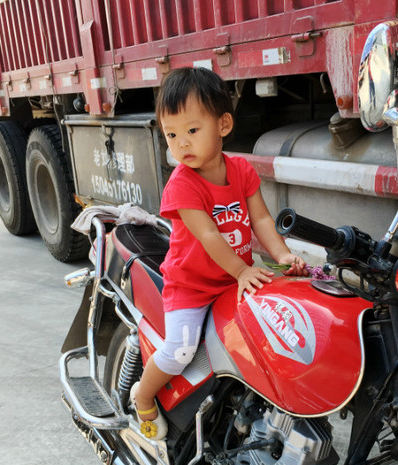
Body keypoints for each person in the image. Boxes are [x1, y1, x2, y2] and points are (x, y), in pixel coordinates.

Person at [131, 67, 307, 440]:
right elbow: (209, 235)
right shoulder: (182, 184)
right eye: (172, 134)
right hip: (191, 288)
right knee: (181, 351)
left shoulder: (241, 170)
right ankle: (143, 394)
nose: (182, 144)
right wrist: (242, 271)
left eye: (192, 131)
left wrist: (283, 256)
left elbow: (261, 219)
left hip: (232, 280)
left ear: (223, 124)